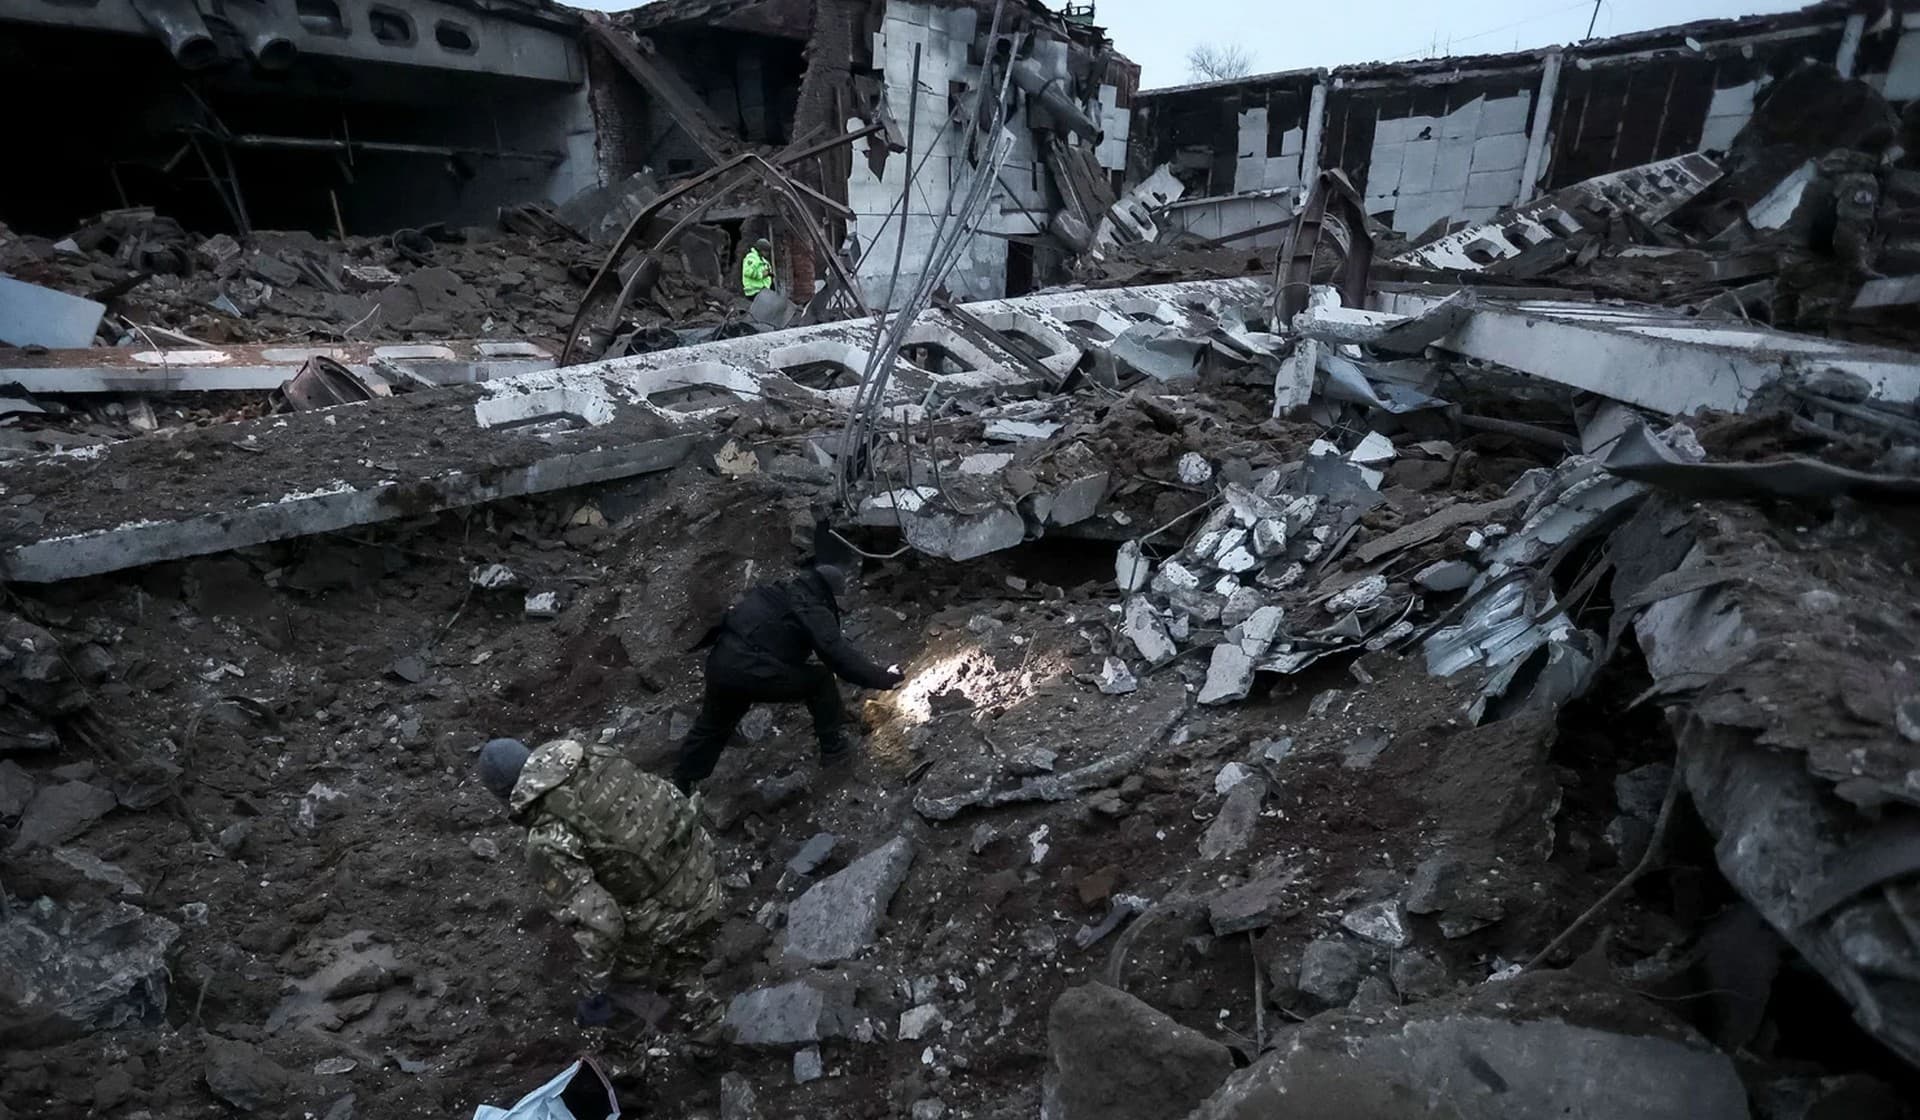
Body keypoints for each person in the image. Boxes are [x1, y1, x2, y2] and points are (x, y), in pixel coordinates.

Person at [477, 736, 724, 1025]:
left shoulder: (547, 837)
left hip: (674, 914)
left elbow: (604, 925)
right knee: (682, 958)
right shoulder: (598, 757)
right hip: (704, 870)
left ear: (502, 796)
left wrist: (594, 988)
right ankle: (697, 995)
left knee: (621, 985)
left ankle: (665, 1031)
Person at [674, 562, 902, 794]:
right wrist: (883, 678)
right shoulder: (811, 606)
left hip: (721, 663)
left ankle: (681, 785)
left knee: (712, 725)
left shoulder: (778, 591)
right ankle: (834, 749)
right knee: (820, 680)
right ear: (832, 594)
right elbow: (837, 655)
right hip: (751, 669)